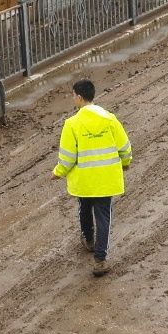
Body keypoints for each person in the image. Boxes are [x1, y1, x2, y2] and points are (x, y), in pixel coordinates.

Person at [52, 79, 132, 277]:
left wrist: (58, 172)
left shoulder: (72, 124)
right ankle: (100, 260)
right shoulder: (110, 119)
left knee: (85, 209)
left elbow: (68, 157)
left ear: (79, 97)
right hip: (106, 179)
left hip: (84, 181)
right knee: (104, 217)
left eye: (73, 95)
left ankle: (88, 240)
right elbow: (124, 146)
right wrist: (125, 162)